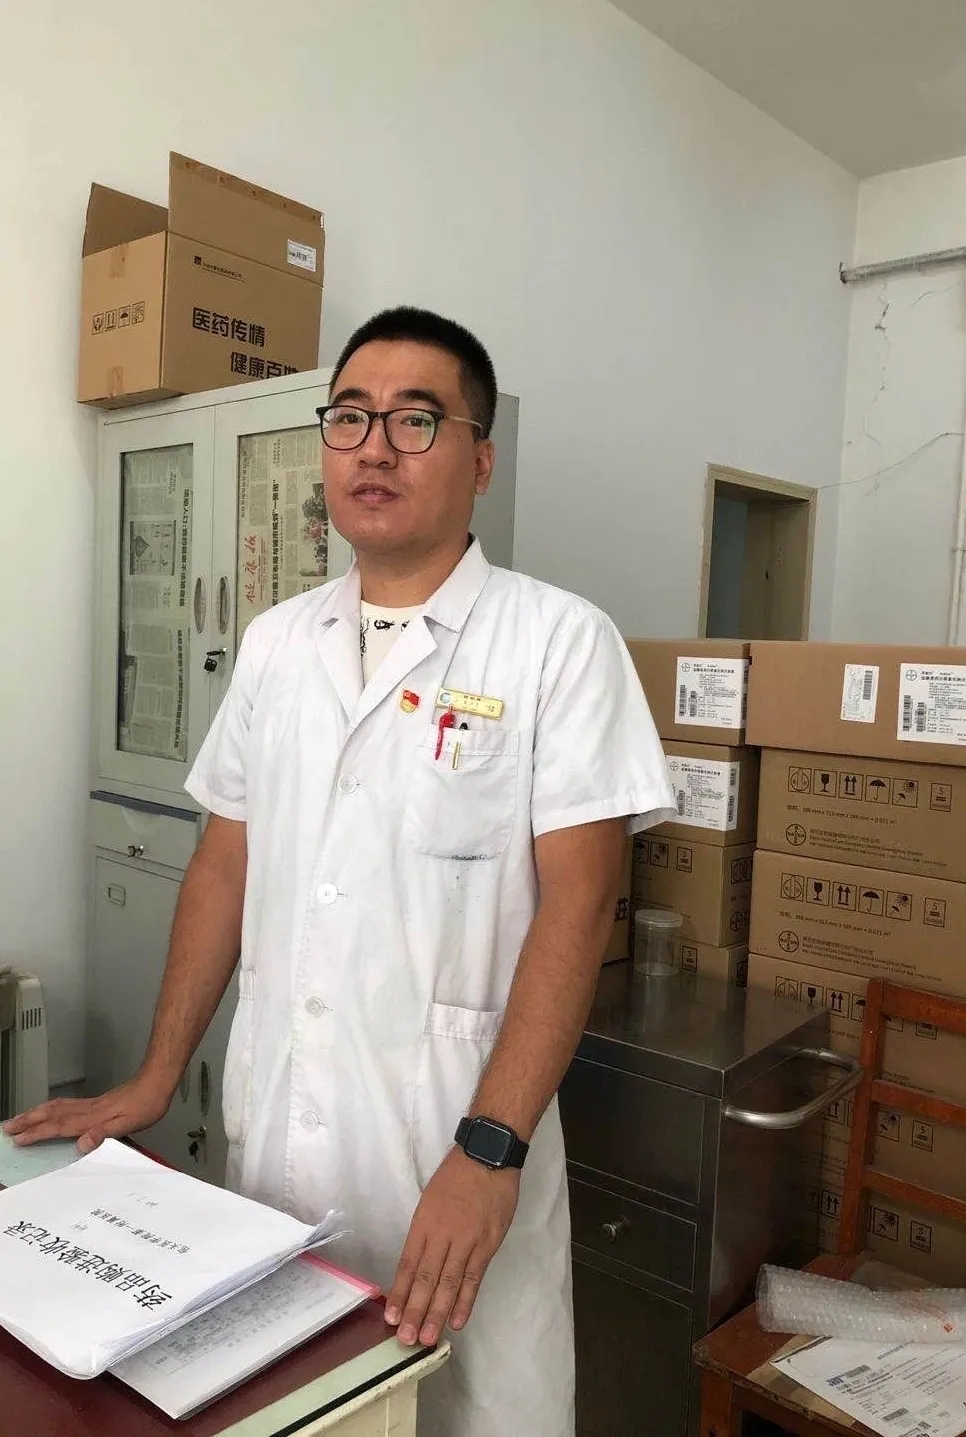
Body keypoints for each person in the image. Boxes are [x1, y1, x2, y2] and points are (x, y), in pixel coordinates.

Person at [7, 307, 675, 1435]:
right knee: (293, 1408)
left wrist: (490, 1149)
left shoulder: (559, 643)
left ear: (480, 458)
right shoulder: (278, 642)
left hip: (455, 1141)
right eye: (351, 417)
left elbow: (582, 900)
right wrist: (156, 1075)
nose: (375, 447)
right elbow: (224, 863)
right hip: (280, 1142)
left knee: (468, 1410)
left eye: (416, 420)